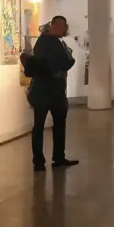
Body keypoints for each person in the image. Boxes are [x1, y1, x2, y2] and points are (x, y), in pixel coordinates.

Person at [27, 15, 78, 172]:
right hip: (50, 91)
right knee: (49, 125)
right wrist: (69, 60)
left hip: (46, 91)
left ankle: (45, 160)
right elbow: (63, 63)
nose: (66, 29)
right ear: (55, 26)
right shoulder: (51, 43)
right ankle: (51, 159)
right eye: (64, 26)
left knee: (46, 125)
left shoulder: (44, 42)